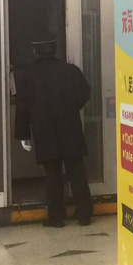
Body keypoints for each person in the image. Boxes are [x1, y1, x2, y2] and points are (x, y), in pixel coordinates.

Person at [14, 37, 93, 228]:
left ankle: (56, 217)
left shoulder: (27, 75)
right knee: (77, 171)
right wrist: (73, 106)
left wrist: (24, 134)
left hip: (44, 130)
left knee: (52, 174)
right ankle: (84, 215)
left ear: (35, 52)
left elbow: (22, 107)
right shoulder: (70, 71)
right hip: (70, 127)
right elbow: (85, 93)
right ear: (55, 50)